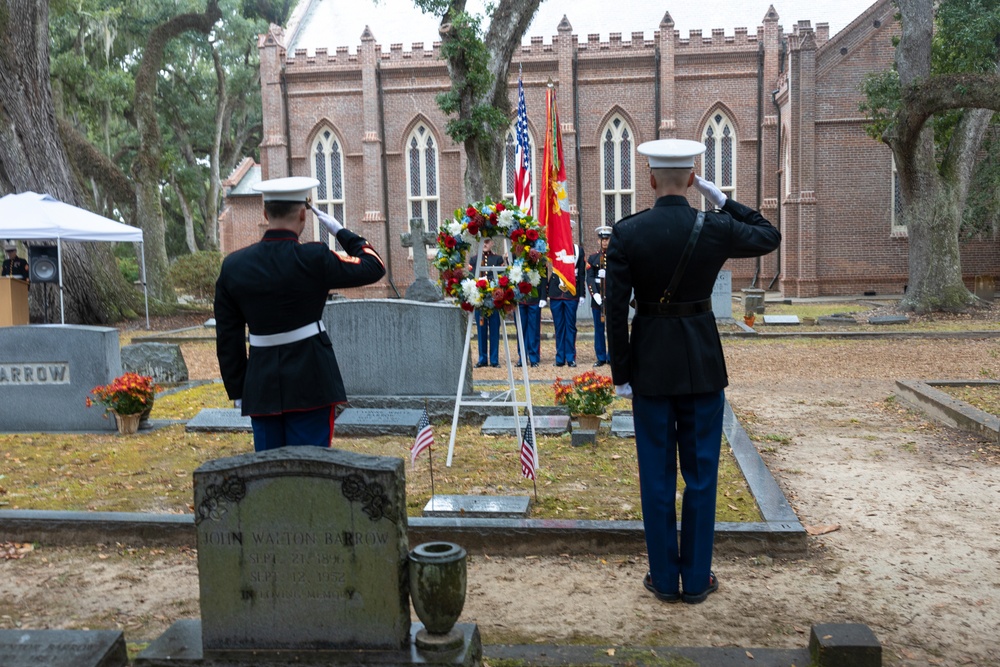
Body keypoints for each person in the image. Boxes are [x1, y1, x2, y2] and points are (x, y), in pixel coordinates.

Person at [605, 139, 780, 605]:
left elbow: (616, 310)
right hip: (702, 365)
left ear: (649, 179)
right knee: (701, 476)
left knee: (657, 476)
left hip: (649, 368)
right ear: (690, 179)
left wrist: (621, 373)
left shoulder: (627, 232)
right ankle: (697, 580)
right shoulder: (716, 226)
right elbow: (768, 234)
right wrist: (720, 197)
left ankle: (664, 579)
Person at [214, 176, 386, 451]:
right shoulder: (315, 257)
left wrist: (238, 389)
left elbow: (227, 336)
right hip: (312, 381)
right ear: (304, 214)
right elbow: (374, 266)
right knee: (312, 470)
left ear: (265, 213)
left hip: (261, 386)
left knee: (270, 476)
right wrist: (341, 232)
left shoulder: (233, 266)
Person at [545, 232, 585, 367]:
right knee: (559, 326)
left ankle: (570, 357)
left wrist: (582, 294)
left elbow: (581, 273)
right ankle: (560, 357)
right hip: (556, 292)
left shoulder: (578, 250)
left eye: (570, 230)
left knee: (570, 326)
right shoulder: (554, 248)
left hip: (571, 292)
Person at [474, 238, 505, 368]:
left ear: (492, 243)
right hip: (480, 300)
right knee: (481, 330)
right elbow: (472, 277)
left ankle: (494, 359)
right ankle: (482, 358)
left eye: (488, 242)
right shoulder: (474, 259)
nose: (485, 244)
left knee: (494, 330)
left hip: (493, 301)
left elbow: (501, 277)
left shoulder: (497, 259)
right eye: (483, 242)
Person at [586, 226, 612, 367]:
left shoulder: (615, 257)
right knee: (599, 329)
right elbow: (589, 278)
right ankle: (601, 357)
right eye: (602, 239)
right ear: (599, 241)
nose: (604, 242)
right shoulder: (593, 257)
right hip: (598, 299)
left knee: (612, 329)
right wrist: (594, 294)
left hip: (611, 299)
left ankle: (611, 356)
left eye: (607, 239)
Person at [515, 290, 541, 368]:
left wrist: (543, 297)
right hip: (519, 299)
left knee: (534, 330)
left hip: (534, 299)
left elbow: (543, 280)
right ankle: (522, 357)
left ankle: (534, 358)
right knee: (520, 330)